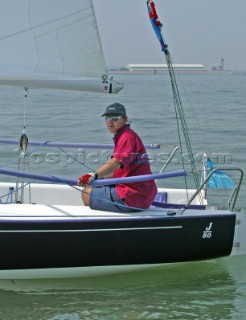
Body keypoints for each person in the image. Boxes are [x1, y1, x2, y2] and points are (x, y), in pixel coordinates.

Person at [77, 102, 157, 212]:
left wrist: (91, 175)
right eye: (107, 118)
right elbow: (119, 169)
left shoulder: (127, 137)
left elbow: (115, 163)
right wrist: (99, 177)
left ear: (124, 119)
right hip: (143, 193)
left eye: (114, 118)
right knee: (96, 186)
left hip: (132, 196)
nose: (110, 122)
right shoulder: (123, 135)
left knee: (86, 193)